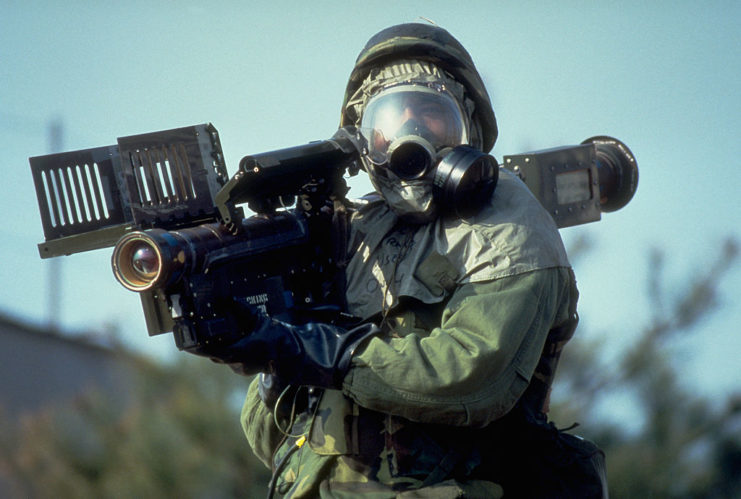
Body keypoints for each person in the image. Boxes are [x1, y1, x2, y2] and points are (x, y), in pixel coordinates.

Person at [183, 23, 606, 497]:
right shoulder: (359, 233)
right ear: (363, 140)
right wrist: (275, 351)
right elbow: (271, 439)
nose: (410, 134)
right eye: (390, 119)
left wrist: (323, 351)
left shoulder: (508, 223)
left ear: (468, 127)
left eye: (430, 113)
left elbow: (469, 381)